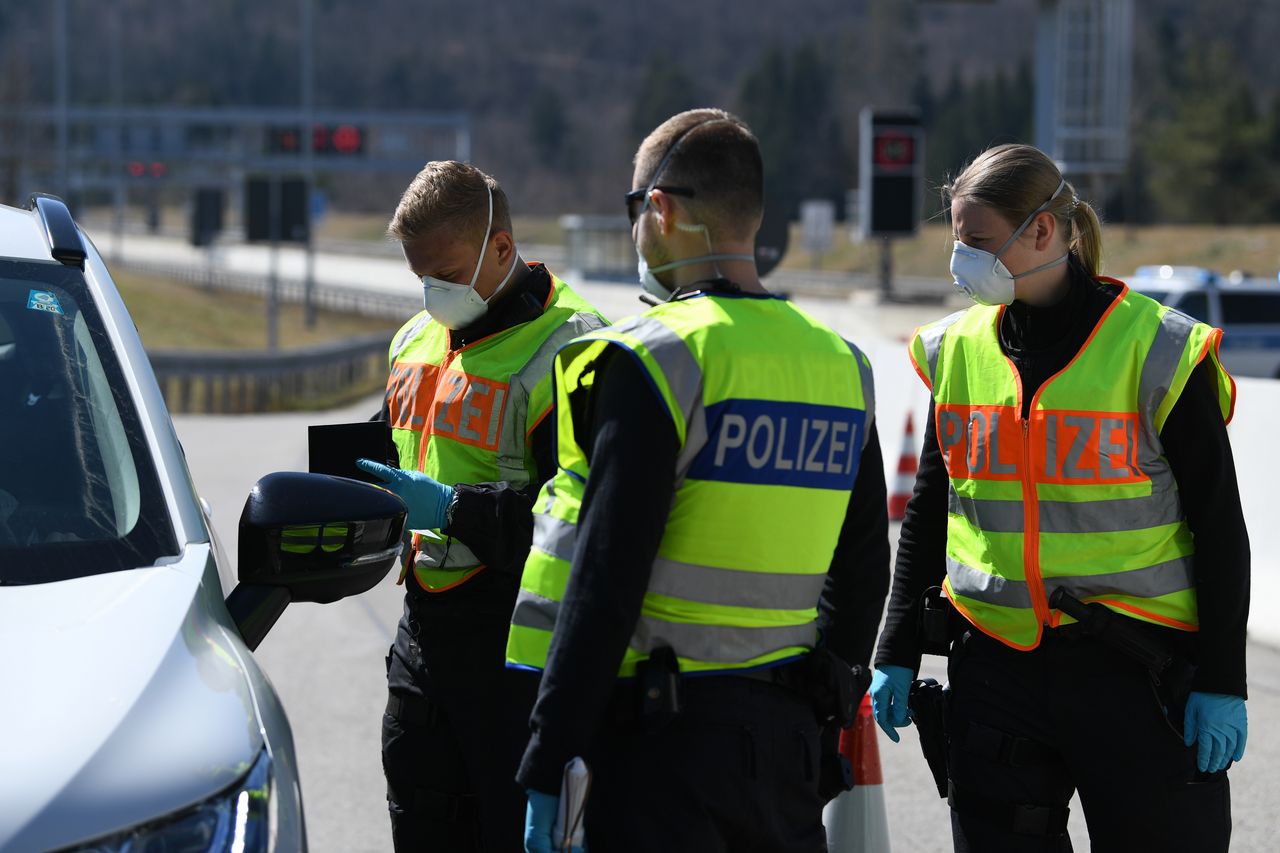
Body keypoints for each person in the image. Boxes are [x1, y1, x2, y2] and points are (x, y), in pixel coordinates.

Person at [505, 108, 891, 853]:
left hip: (660, 746)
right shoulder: (842, 365)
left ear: (660, 208)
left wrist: (548, 754)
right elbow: (864, 566)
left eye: (632, 210)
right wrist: (827, 702)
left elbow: (606, 578)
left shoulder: (658, 359)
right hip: (786, 742)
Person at [870, 143, 1249, 852]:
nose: (961, 261)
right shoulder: (956, 348)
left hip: (1135, 669)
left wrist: (1226, 679)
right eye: (956, 239)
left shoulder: (1159, 350)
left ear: (1042, 231)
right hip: (997, 665)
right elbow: (930, 507)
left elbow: (1220, 527)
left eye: (977, 241)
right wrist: (895, 645)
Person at [355, 160, 607, 852]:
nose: (433, 290)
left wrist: (453, 508)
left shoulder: (574, 345)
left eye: (445, 270)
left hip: (514, 643)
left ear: (502, 247)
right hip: (422, 640)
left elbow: (583, 527)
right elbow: (390, 456)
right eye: (420, 275)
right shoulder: (414, 341)